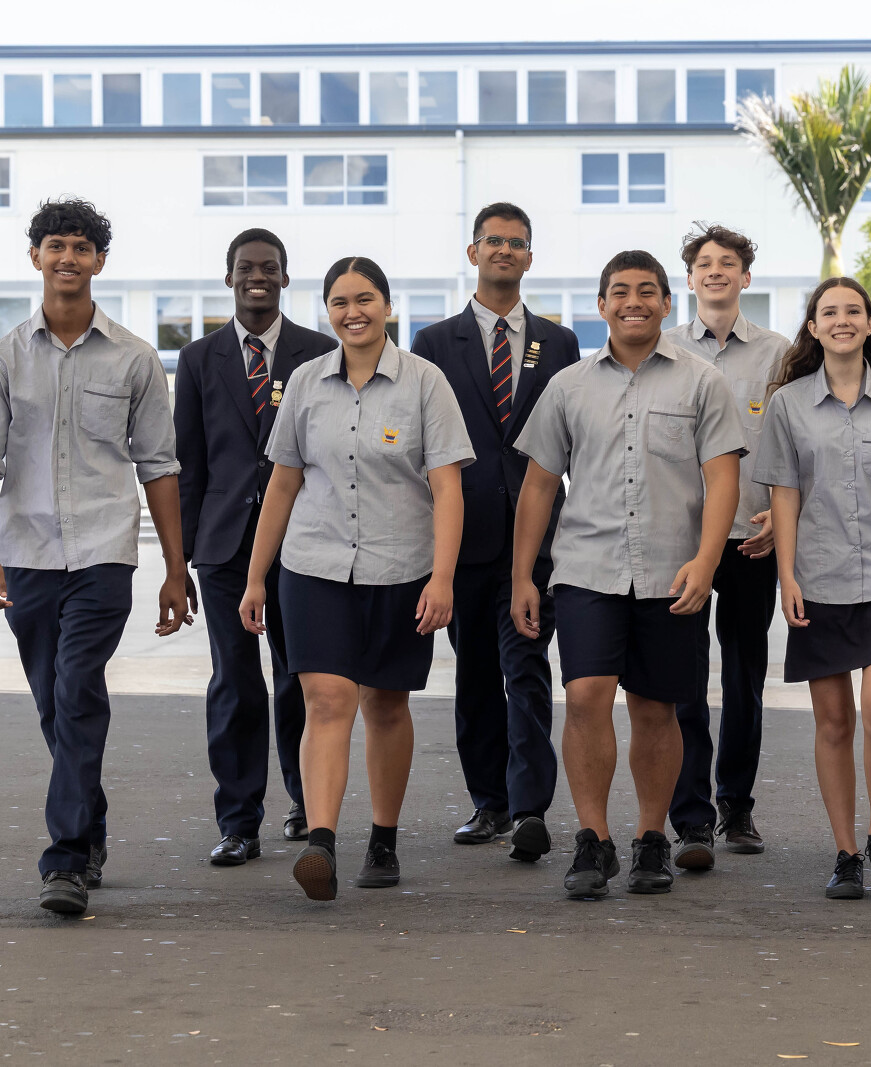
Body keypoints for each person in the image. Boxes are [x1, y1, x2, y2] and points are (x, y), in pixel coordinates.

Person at [0, 198, 193, 916]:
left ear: (100, 262)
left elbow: (159, 466)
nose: (68, 258)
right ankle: (88, 825)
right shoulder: (4, 357)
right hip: (26, 554)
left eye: (82, 247)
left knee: (77, 689)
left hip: (102, 553)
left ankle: (63, 858)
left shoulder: (134, 358)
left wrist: (175, 568)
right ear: (36, 256)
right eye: (56, 245)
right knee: (53, 703)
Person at [510, 250, 745, 899]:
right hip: (587, 568)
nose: (633, 301)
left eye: (646, 291)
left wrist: (707, 559)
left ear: (667, 303)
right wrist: (523, 575)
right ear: (602, 304)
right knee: (586, 697)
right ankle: (593, 838)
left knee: (655, 708)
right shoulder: (569, 386)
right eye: (620, 291)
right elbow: (537, 486)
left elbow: (723, 477)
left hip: (671, 571)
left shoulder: (702, 382)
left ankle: (649, 838)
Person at [240, 256, 474, 902]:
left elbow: (448, 488)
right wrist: (256, 577)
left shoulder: (425, 382)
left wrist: (443, 578)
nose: (353, 312)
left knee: (386, 704)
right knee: (326, 699)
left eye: (365, 299)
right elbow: (282, 483)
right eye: (340, 302)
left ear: (387, 306)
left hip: (401, 569)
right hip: (313, 567)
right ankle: (320, 841)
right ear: (328, 311)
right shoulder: (306, 382)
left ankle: (383, 837)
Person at [752, 276, 871, 900]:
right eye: (828, 311)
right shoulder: (787, 405)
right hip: (819, 577)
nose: (841, 319)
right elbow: (784, 493)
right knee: (834, 720)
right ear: (813, 327)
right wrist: (786, 574)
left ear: (869, 324)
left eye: (853, 310)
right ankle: (845, 851)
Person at [411, 202, 581, 863]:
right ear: (473, 252)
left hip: (538, 541)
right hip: (465, 536)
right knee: (477, 675)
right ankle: (489, 803)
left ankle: (530, 806)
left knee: (528, 667)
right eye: (493, 240)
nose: (504, 250)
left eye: (516, 242)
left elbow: (571, 438)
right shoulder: (434, 343)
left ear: (530, 257)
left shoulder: (560, 344)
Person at [174, 228, 338, 867]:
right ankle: (239, 822)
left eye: (269, 268)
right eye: (246, 268)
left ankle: (304, 800)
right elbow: (188, 465)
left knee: (299, 678)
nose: (258, 277)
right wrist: (182, 558)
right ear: (229, 278)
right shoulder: (198, 359)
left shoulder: (319, 352)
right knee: (235, 683)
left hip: (302, 544)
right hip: (222, 549)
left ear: (285, 278)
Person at [664, 223, 788, 868]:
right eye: (704, 263)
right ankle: (690, 816)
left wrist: (780, 517)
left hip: (750, 540)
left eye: (728, 263)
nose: (715, 271)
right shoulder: (662, 349)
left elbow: (795, 441)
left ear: (745, 276)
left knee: (744, 678)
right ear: (689, 279)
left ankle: (736, 806)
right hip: (680, 541)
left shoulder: (778, 354)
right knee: (682, 681)